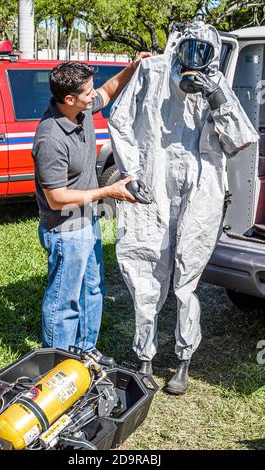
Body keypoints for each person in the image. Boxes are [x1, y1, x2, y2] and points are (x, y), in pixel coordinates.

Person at [108, 22, 259, 393]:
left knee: (186, 277)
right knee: (145, 269)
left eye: (201, 54)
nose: (192, 61)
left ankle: (183, 360)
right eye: (187, 52)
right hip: (153, 182)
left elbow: (241, 140)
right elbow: (120, 119)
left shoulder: (216, 83)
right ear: (177, 50)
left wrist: (218, 98)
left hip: (201, 188)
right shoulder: (152, 72)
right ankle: (144, 356)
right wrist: (131, 169)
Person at [32, 55, 151, 355]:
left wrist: (133, 67)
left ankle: (86, 351)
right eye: (88, 92)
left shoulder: (80, 111)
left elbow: (109, 90)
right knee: (64, 300)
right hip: (65, 229)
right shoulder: (50, 139)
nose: (93, 95)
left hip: (87, 221)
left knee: (92, 291)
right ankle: (58, 361)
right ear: (69, 98)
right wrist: (108, 190)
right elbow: (56, 198)